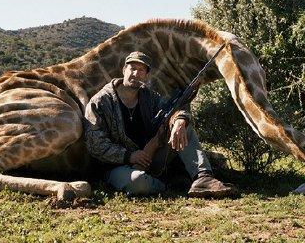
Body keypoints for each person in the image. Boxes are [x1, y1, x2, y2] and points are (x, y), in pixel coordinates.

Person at [84, 51, 237, 198]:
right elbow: (95, 144)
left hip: (151, 157)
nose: (136, 74)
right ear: (124, 70)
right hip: (118, 166)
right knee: (137, 182)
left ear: (146, 76)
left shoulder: (149, 96)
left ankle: (203, 178)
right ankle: (170, 186)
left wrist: (179, 120)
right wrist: (129, 156)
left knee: (183, 126)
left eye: (141, 70)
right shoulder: (100, 102)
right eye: (133, 68)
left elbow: (172, 111)